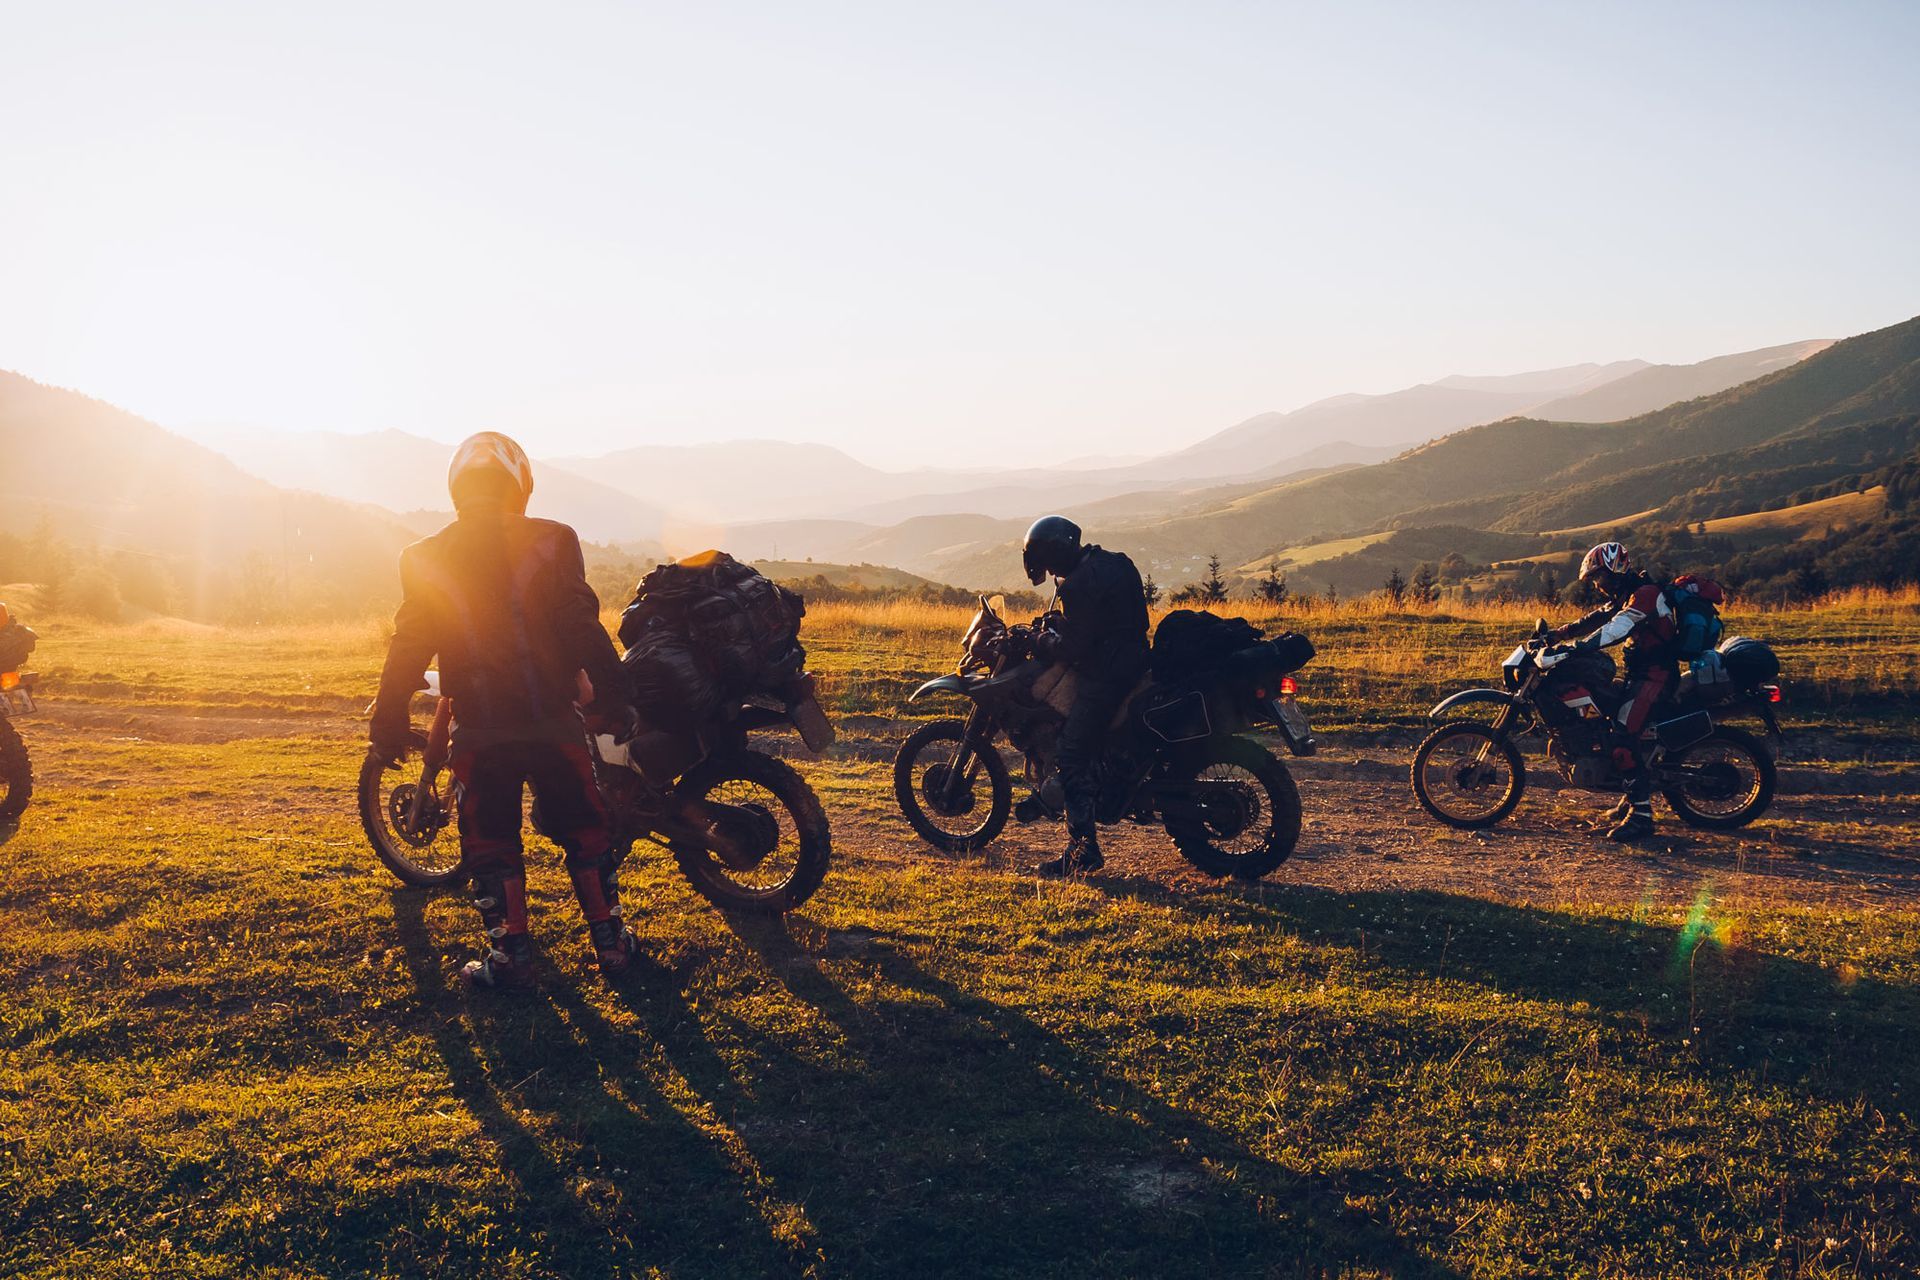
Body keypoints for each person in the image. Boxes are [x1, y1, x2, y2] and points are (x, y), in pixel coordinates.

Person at [370, 432, 641, 990]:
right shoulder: (554, 540)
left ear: (456, 487)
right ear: (519, 485)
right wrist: (616, 696)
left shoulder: (422, 557)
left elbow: (409, 644)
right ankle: (612, 946)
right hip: (553, 722)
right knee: (585, 831)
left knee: (490, 841)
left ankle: (509, 957)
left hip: (483, 730)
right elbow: (580, 625)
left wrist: (389, 719)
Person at [1020, 515, 1150, 876]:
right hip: (1136, 658)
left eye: (1045, 561)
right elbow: (1104, 622)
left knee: (1070, 754)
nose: (1045, 569)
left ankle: (1083, 852)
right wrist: (1064, 627)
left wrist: (1041, 640)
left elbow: (1074, 648)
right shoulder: (1115, 562)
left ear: (1055, 556)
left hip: (1109, 675)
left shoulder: (1077, 585)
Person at [1545, 541, 1678, 842]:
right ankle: (1630, 798)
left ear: (1615, 570)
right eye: (1593, 579)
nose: (1597, 585)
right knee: (1604, 721)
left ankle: (1642, 817)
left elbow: (1615, 629)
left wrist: (1577, 648)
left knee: (1622, 736)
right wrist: (1557, 635)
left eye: (1599, 577)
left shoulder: (1645, 595)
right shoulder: (1627, 594)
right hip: (1640, 675)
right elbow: (1596, 618)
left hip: (1656, 678)